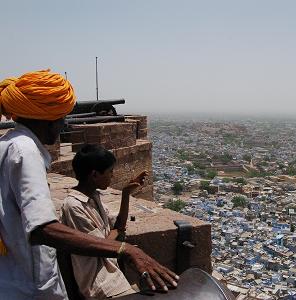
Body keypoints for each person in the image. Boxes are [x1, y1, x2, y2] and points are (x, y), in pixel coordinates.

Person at [0, 70, 178, 300]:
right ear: (46, 117)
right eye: (61, 117)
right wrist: (127, 250)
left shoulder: (7, 145)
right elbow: (41, 228)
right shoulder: (25, 151)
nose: (63, 124)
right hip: (30, 288)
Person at [61, 144, 148, 299]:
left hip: (112, 275)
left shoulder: (94, 197)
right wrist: (117, 232)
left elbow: (119, 226)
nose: (112, 176)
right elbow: (100, 245)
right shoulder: (74, 206)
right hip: (99, 283)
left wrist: (126, 194)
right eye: (110, 172)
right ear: (94, 175)